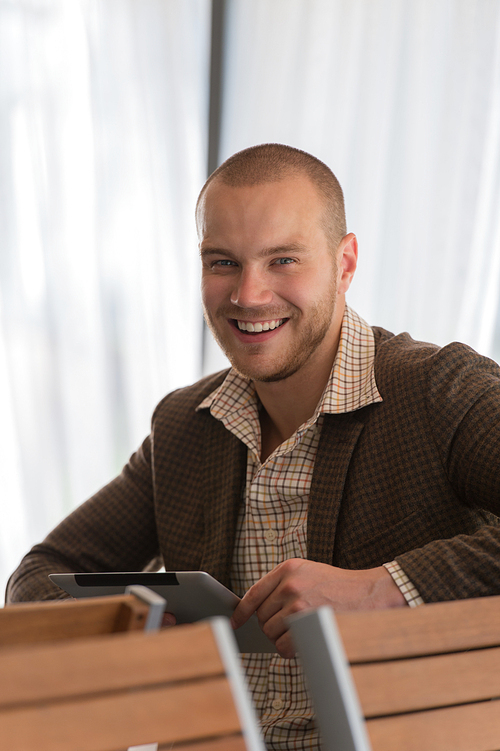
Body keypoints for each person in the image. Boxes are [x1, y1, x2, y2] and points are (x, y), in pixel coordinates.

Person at [7, 143, 500, 750]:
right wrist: (128, 628)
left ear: (345, 263)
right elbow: (39, 576)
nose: (248, 295)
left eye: (283, 260)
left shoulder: (441, 390)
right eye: (222, 263)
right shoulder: (185, 425)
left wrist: (386, 588)